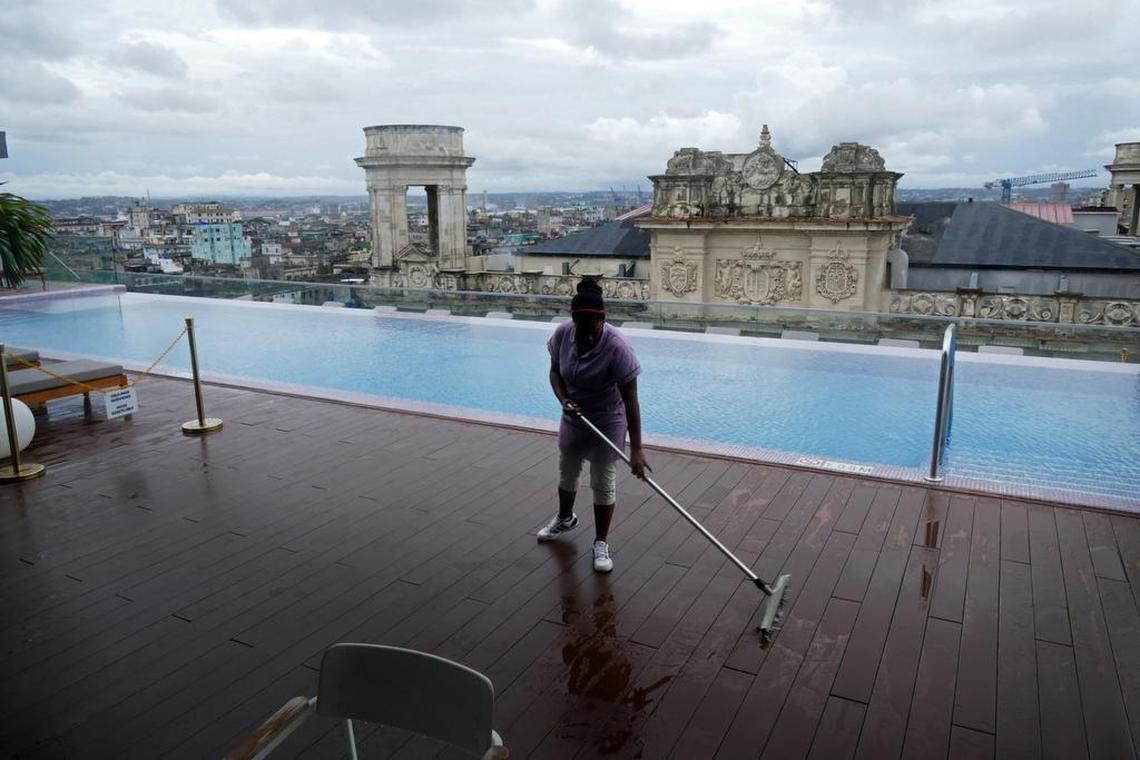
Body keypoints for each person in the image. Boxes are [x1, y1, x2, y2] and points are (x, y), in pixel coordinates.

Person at [539, 278, 650, 573]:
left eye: (592, 329)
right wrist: (564, 400)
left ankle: (601, 542)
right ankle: (565, 519)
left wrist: (636, 450)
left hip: (607, 417)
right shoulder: (563, 334)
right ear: (573, 320)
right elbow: (554, 373)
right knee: (568, 472)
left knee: (602, 480)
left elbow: (631, 401)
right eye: (580, 327)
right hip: (574, 415)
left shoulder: (618, 347)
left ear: (602, 319)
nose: (586, 337)